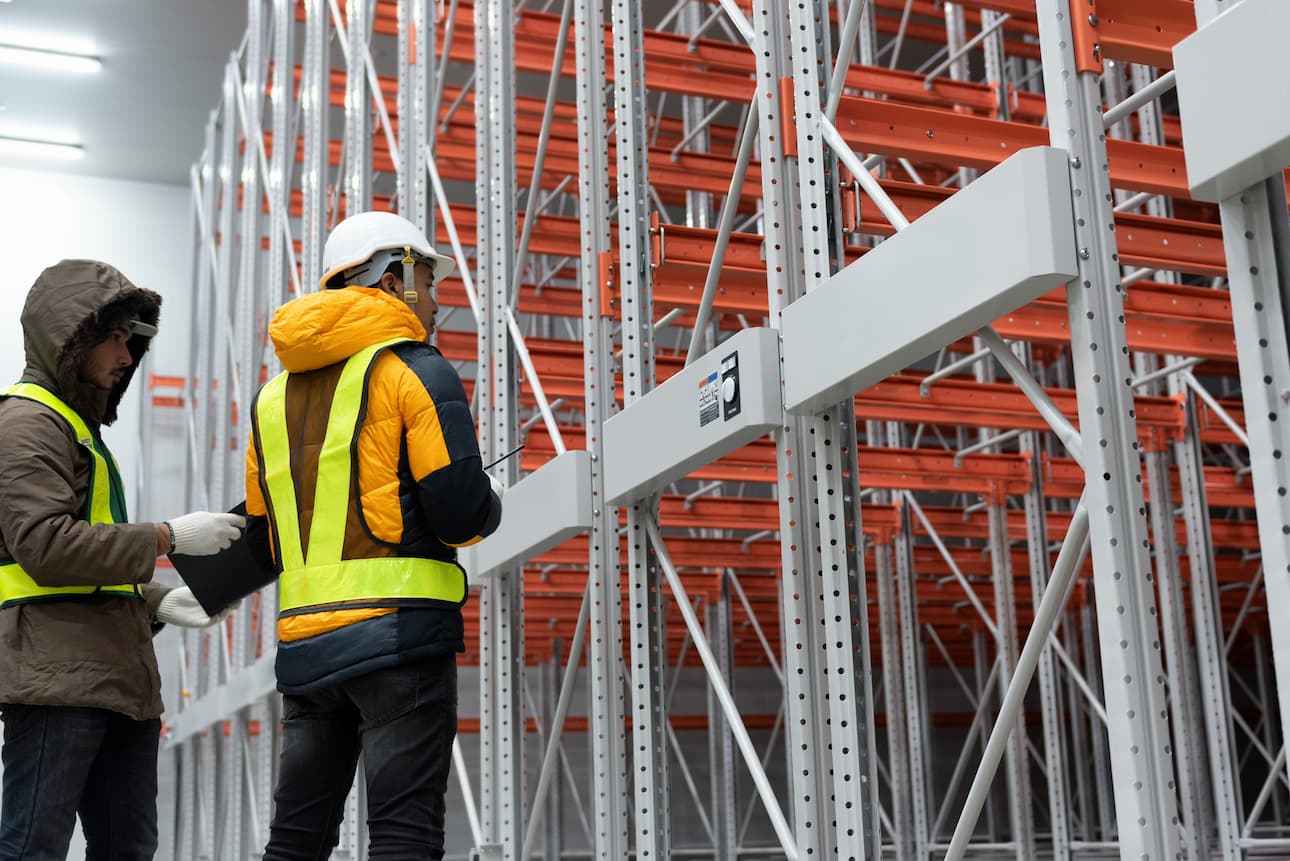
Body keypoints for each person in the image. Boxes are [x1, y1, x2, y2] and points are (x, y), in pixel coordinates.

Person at [245, 211, 503, 860]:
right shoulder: (416, 369)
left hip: (306, 652)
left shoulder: (272, 400)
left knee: (296, 839)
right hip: (399, 642)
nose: (437, 298)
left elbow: (264, 535)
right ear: (393, 279)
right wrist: (487, 503)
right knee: (403, 834)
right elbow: (460, 513)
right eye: (428, 279)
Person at [0, 259, 247, 860]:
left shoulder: (78, 430)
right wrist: (166, 538)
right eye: (113, 336)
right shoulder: (28, 423)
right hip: (57, 681)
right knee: (34, 847)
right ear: (70, 338)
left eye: (131, 337)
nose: (127, 354)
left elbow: (84, 559)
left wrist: (155, 600)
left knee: (126, 849)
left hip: (115, 679)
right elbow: (47, 546)